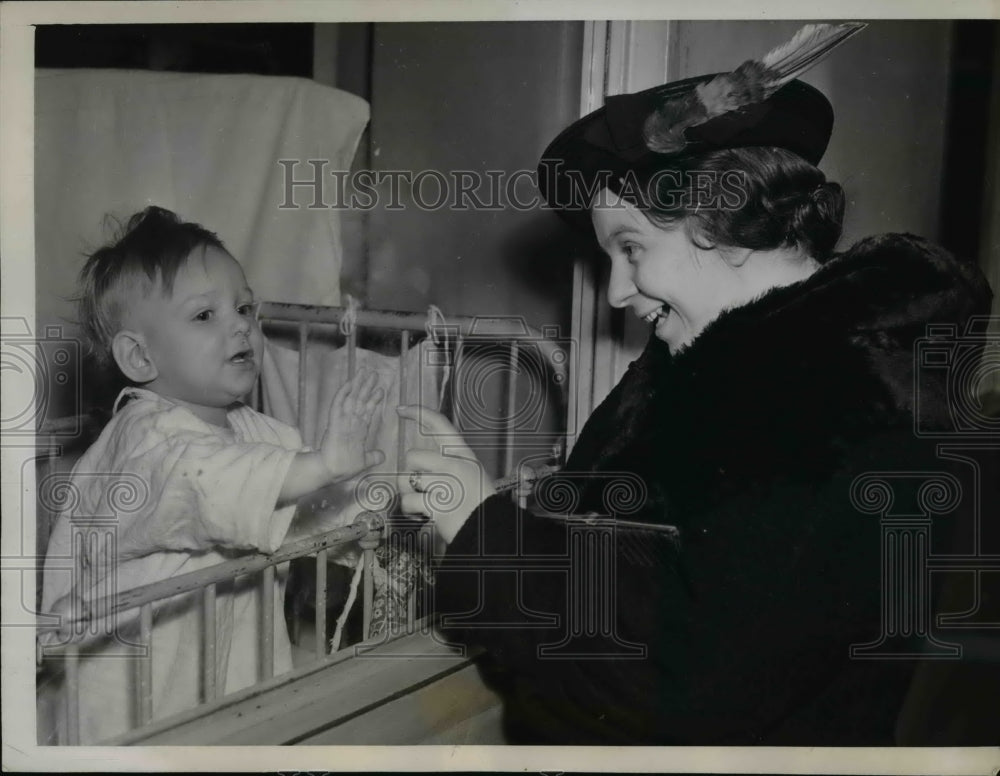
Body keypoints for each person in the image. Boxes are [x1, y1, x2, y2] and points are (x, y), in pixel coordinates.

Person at [397, 24, 996, 744]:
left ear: (718, 216)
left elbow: (678, 692)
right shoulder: (712, 369)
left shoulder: (844, 403)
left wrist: (481, 532)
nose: (617, 291)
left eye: (631, 248)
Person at [39, 206, 385, 744]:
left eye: (244, 306)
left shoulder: (256, 430)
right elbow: (206, 480)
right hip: (130, 684)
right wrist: (323, 465)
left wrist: (374, 498)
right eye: (205, 315)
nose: (241, 324)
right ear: (139, 356)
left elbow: (301, 504)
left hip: (223, 667)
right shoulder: (145, 440)